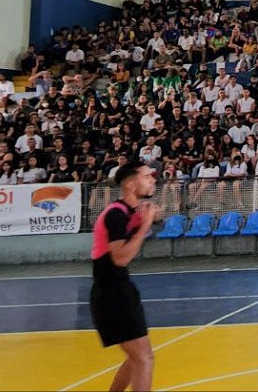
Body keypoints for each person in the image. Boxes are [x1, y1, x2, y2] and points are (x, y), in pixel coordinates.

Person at [89, 160, 159, 392]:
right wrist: (146, 222)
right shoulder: (116, 215)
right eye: (147, 176)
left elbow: (159, 216)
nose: (152, 179)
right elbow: (120, 258)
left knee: (137, 357)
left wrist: (150, 216)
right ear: (130, 184)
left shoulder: (128, 212)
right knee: (144, 359)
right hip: (112, 294)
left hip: (120, 290)